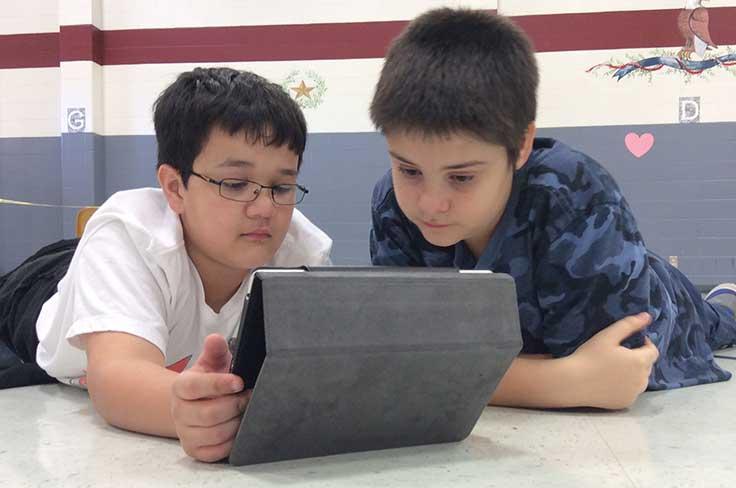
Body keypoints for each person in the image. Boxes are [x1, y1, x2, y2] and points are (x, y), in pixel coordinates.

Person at [369, 8, 736, 410]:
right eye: (409, 170)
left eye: (462, 177)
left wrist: (443, 372)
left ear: (522, 144)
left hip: (667, 304)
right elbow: (400, 360)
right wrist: (561, 380)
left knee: (718, 321)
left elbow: (613, 373)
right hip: (550, 324)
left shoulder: (573, 194)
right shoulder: (392, 206)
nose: (429, 203)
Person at [0, 67, 332, 462]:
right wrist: (186, 412)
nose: (264, 208)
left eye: (281, 187)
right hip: (43, 289)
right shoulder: (129, 234)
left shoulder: (302, 253)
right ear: (175, 188)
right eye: (235, 184)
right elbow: (116, 377)